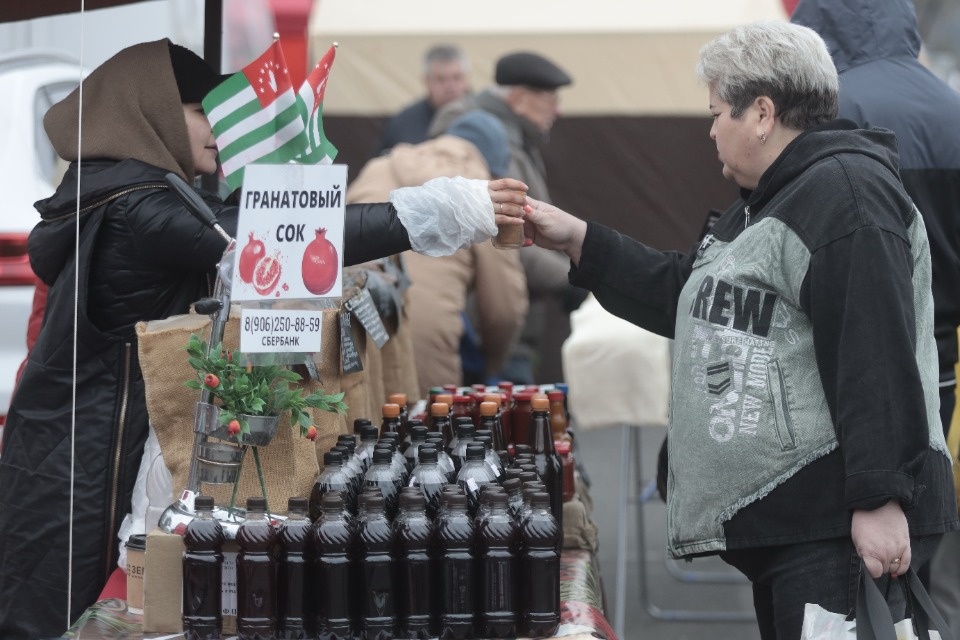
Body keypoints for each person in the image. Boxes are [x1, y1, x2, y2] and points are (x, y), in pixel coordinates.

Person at [0, 39, 525, 639]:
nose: (217, 129)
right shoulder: (136, 206)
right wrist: (435, 212)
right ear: (153, 113)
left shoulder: (143, 190)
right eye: (201, 112)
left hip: (86, 438)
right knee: (63, 615)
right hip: (82, 454)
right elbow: (272, 236)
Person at [511, 21, 959, 639]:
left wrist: (879, 500)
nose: (711, 130)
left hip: (833, 527)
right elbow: (695, 297)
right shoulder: (778, 195)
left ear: (763, 114)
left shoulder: (844, 193)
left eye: (717, 112)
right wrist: (580, 241)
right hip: (803, 525)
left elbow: (873, 352)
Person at [789, 0, 960, 624]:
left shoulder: (825, 110)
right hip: (939, 355)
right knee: (918, 530)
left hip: (839, 359)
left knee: (839, 555)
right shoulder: (950, 106)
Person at [350, 110, 528, 397]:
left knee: (353, 423)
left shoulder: (378, 167)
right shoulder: (485, 195)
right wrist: (491, 366)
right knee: (423, 424)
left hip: (349, 337)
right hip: (423, 346)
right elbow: (503, 310)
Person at [431, 50, 581, 384]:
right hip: (488, 329)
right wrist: (570, 280)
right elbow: (506, 237)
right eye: (551, 99)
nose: (558, 109)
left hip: (495, 323)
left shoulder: (511, 137)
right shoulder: (492, 143)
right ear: (518, 98)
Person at [375, 43, 470, 155]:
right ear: (426, 81)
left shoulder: (480, 118)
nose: (450, 86)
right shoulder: (404, 123)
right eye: (441, 79)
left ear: (466, 79)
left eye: (457, 78)